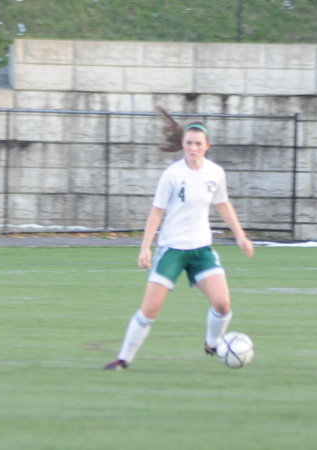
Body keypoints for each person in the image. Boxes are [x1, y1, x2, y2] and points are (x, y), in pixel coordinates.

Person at [103, 107, 254, 371]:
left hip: (201, 250)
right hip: (172, 249)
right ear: (182, 144)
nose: (193, 148)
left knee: (222, 304)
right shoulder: (172, 174)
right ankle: (123, 359)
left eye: (198, 144)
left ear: (207, 146)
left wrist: (240, 236)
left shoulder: (215, 173)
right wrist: (145, 248)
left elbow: (223, 204)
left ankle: (212, 343)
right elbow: (156, 212)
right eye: (189, 143)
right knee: (150, 309)